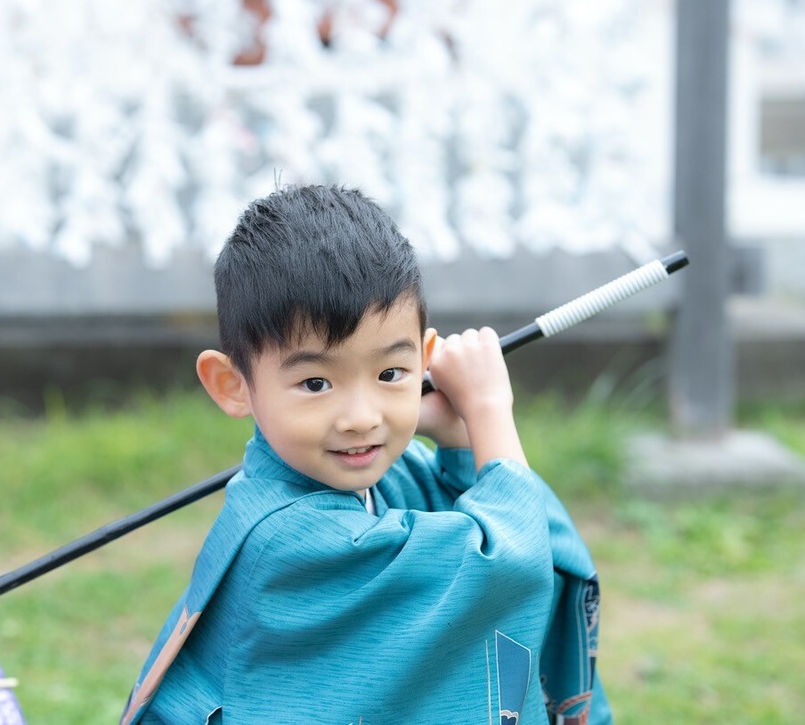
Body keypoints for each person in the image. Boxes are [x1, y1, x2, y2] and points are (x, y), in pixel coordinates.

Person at [121, 184, 610, 724]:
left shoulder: (375, 479)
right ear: (233, 384)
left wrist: (457, 439)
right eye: (314, 383)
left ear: (423, 360)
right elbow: (507, 565)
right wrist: (489, 409)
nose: (361, 416)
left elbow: (512, 524)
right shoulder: (293, 541)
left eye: (389, 374)